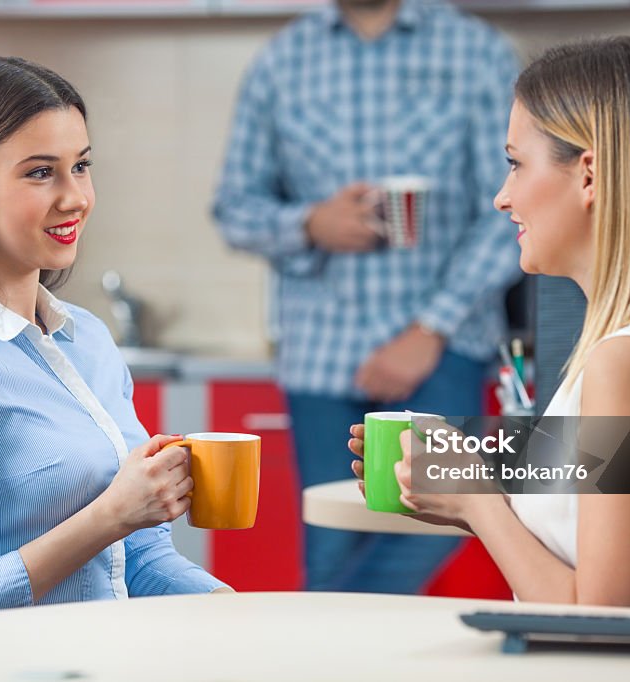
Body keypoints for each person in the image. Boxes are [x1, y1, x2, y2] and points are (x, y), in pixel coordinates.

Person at [349, 36, 630, 609]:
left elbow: (611, 619)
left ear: (589, 175)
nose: (503, 197)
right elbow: (598, 550)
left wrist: (477, 501)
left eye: (516, 165)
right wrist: (464, 495)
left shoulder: (628, 364)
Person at [0, 55, 231, 620]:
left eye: (81, 166)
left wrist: (246, 619)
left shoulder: (89, 342)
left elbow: (141, 561)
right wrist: (109, 517)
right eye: (39, 172)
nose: (75, 197)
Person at [212, 0, 521, 593]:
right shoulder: (283, 61)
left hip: (443, 352)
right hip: (321, 360)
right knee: (331, 546)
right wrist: (309, 224)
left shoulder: (476, 52)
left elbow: (509, 210)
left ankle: (322, 637)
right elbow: (235, 207)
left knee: (440, 525)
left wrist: (430, 328)